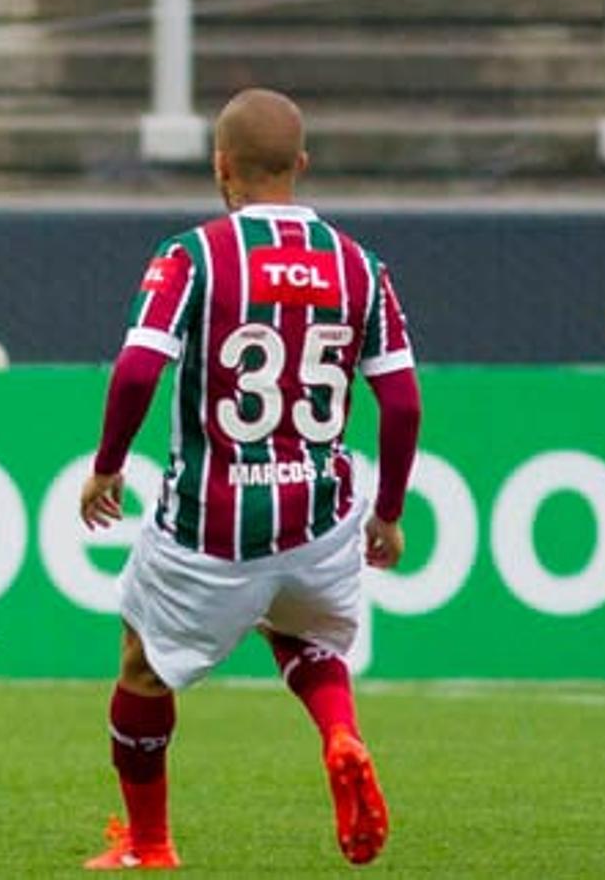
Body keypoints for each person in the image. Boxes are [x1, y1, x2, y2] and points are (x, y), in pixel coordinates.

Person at [77, 88, 423, 870]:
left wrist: (107, 466)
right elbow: (400, 399)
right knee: (304, 630)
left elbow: (137, 370)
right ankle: (340, 734)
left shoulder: (194, 255)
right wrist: (389, 512)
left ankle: (149, 843)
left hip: (212, 523)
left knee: (140, 663)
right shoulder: (358, 265)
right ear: (301, 165)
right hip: (320, 515)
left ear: (220, 165)